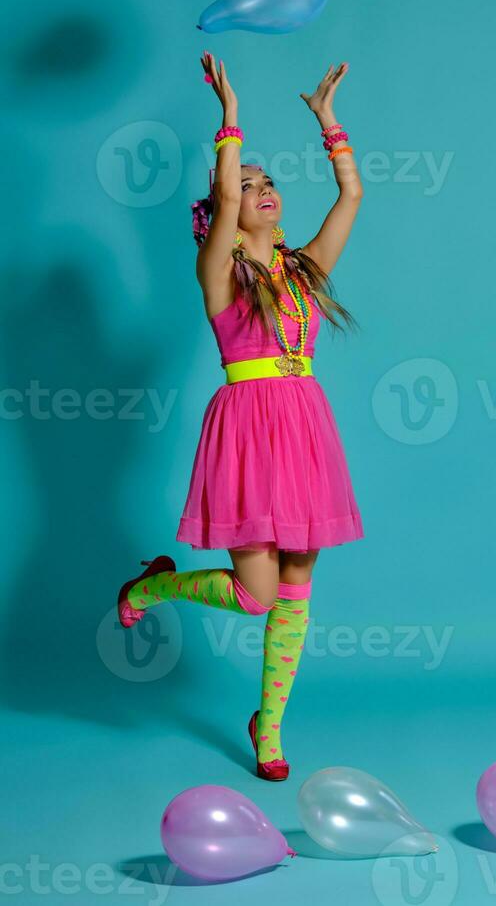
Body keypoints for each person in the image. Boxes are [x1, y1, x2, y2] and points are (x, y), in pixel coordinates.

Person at [117, 53, 364, 781]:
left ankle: (271, 728)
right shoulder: (219, 271)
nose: (260, 191)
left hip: (304, 423)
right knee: (255, 595)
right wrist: (230, 119)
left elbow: (350, 198)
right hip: (249, 426)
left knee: (296, 584)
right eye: (247, 184)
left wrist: (328, 123)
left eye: (268, 183)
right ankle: (154, 587)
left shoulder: (305, 271)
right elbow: (223, 203)